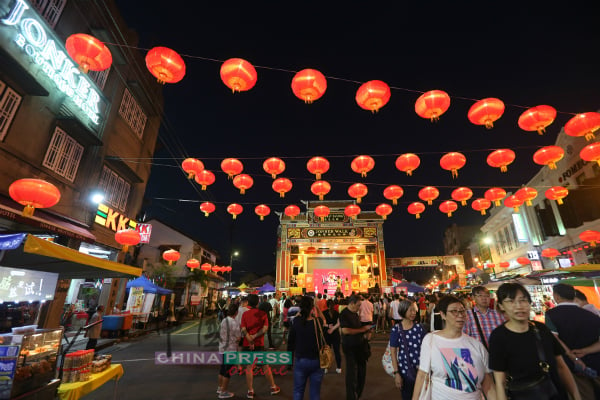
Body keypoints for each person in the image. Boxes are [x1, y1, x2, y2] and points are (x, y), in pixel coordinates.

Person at [488, 283, 581, 400]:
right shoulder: (498, 337)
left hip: (556, 394)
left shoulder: (541, 329)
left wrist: (576, 396)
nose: (519, 306)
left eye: (523, 300)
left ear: (529, 303)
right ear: (501, 306)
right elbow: (500, 382)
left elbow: (561, 367)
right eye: (511, 301)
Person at [412, 295, 496, 400]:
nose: (460, 315)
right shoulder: (431, 340)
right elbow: (422, 375)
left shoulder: (476, 345)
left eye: (462, 311)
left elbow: (488, 384)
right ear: (443, 315)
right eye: (454, 311)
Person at [545, 283, 599, 399]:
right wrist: (586, 351)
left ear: (556, 296)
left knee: (584, 394)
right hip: (596, 362)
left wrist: (573, 357)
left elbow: (555, 339)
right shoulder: (591, 315)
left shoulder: (551, 315)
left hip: (572, 367)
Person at [240, 294, 280, 398]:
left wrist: (249, 338)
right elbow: (265, 328)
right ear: (258, 302)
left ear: (248, 303)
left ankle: (250, 391)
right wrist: (255, 336)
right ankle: (273, 387)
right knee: (265, 365)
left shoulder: (245, 314)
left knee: (249, 367)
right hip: (259, 343)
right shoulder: (262, 314)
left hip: (247, 343)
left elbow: (243, 329)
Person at [288, 296, 324, 400]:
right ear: (312, 307)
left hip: (300, 359)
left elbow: (291, 341)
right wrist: (317, 308)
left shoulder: (296, 322)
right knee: (315, 393)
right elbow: (323, 319)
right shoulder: (317, 322)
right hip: (316, 360)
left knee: (298, 391)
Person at [390, 300, 426, 400]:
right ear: (403, 310)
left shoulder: (420, 328)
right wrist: (396, 373)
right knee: (407, 396)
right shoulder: (396, 329)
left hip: (421, 371)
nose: (414, 313)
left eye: (415, 310)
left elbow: (427, 348)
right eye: (410, 310)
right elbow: (393, 352)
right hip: (404, 371)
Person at [340, 294, 372, 400]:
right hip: (350, 348)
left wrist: (366, 333)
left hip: (359, 347)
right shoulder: (344, 314)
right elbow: (345, 330)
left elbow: (356, 329)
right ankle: (352, 396)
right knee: (352, 374)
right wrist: (363, 330)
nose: (359, 308)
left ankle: (357, 394)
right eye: (358, 305)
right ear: (352, 303)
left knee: (361, 373)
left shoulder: (355, 314)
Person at [217, 304, 241, 399]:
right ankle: (223, 392)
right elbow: (238, 337)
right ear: (236, 312)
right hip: (230, 349)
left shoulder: (224, 320)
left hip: (222, 347)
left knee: (223, 369)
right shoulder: (234, 323)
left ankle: (220, 387)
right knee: (228, 371)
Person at [323, 299, 342, 374]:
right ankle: (339, 367)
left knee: (327, 351)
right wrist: (333, 329)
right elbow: (339, 323)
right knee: (337, 351)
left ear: (326, 305)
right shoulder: (337, 313)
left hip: (326, 333)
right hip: (335, 334)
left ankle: (326, 368)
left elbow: (323, 324)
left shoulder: (324, 313)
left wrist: (328, 326)